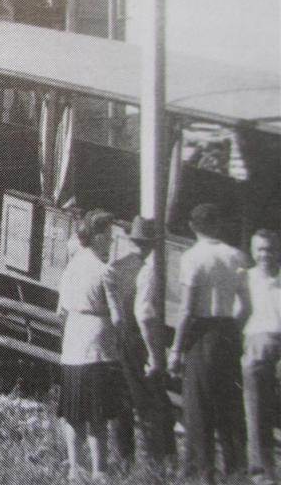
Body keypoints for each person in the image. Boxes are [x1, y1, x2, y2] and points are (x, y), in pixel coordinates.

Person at [168, 203, 248, 483]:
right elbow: (246, 306)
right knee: (229, 404)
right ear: (218, 225)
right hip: (226, 329)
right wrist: (230, 329)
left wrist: (176, 349)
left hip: (202, 332)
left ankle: (202, 474)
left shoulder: (193, 258)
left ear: (192, 226)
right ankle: (237, 471)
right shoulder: (236, 256)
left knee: (198, 406)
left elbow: (187, 309)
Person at [103, 217, 176, 467]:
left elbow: (112, 303)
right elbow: (144, 315)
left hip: (120, 338)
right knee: (151, 401)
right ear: (154, 243)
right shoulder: (149, 269)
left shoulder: (116, 266)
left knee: (122, 399)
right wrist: (155, 354)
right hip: (139, 340)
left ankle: (125, 458)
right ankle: (156, 461)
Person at [56, 209, 123, 482]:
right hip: (97, 347)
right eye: (108, 235)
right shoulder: (104, 271)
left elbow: (59, 311)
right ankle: (99, 470)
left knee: (73, 411)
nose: (110, 240)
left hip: (73, 344)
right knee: (97, 413)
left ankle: (74, 466)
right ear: (97, 236)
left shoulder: (71, 267)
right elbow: (118, 317)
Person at [235, 229, 281, 484]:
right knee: (256, 412)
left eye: (270, 249)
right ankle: (263, 474)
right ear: (253, 252)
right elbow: (238, 315)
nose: (265, 255)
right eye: (260, 249)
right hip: (256, 345)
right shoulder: (245, 278)